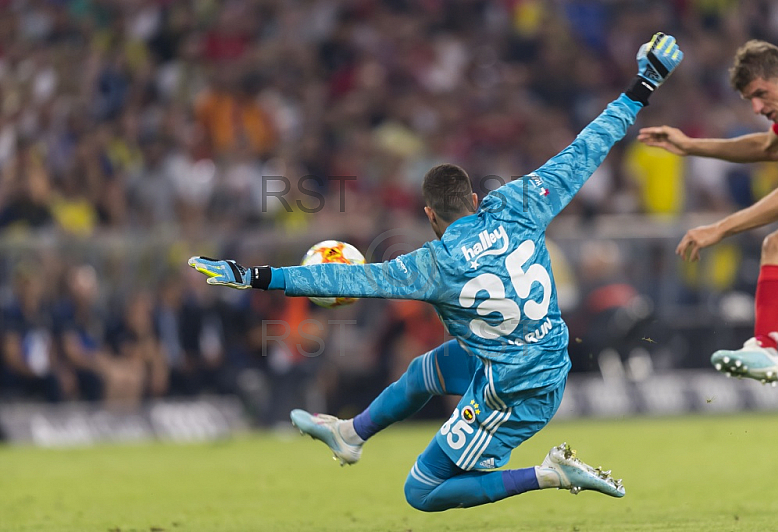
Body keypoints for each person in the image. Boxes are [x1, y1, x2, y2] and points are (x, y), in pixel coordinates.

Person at [189, 33, 683, 512]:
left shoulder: (433, 266)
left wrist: (252, 276)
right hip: (539, 357)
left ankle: (551, 473)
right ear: (472, 200)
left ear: (429, 216)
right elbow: (586, 150)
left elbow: (343, 280)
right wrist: (646, 83)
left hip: (517, 387)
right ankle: (351, 433)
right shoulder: (518, 205)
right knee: (426, 370)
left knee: (422, 492)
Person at [638, 40, 778, 385]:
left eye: (761, 93)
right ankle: (765, 348)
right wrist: (690, 146)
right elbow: (769, 147)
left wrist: (720, 228)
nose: (757, 107)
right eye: (749, 100)